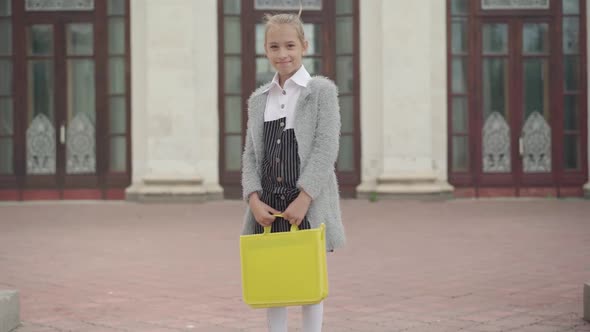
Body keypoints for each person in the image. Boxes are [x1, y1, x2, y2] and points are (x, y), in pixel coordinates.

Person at [240, 8, 346, 332]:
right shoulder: (259, 99)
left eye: (289, 46)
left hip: (306, 204)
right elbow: (250, 156)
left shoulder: (321, 92)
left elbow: (326, 148)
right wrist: (253, 199)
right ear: (265, 50)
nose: (282, 54)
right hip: (268, 206)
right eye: (274, 47)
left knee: (307, 280)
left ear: (304, 45)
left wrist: (305, 198)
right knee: (273, 282)